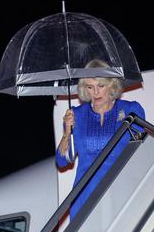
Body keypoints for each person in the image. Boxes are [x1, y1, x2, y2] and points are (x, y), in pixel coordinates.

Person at [56, 59, 146, 219]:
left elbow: (143, 151)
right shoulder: (77, 114)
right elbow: (63, 161)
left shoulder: (131, 109)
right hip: (85, 195)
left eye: (101, 86)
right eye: (90, 87)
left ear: (112, 85)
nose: (95, 93)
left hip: (122, 192)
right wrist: (67, 132)